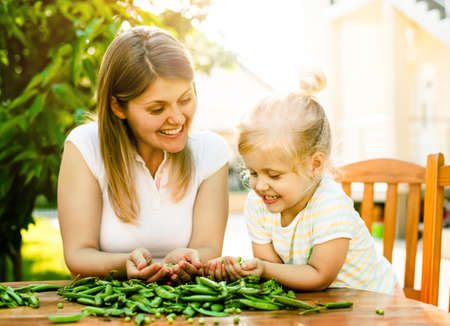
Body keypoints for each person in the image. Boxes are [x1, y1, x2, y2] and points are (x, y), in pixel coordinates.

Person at [57, 26, 231, 283]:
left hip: (187, 308)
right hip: (109, 310)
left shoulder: (210, 152)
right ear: (118, 106)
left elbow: (208, 248)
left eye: (185, 99)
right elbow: (78, 255)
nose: (178, 118)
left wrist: (189, 259)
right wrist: (123, 263)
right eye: (157, 108)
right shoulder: (85, 146)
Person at [205, 70, 403, 296]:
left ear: (315, 165)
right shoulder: (258, 204)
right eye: (253, 172)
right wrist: (248, 269)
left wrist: (263, 269)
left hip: (375, 303)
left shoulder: (330, 205)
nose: (260, 185)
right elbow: (274, 273)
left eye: (274, 175)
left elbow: (319, 276)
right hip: (322, 305)